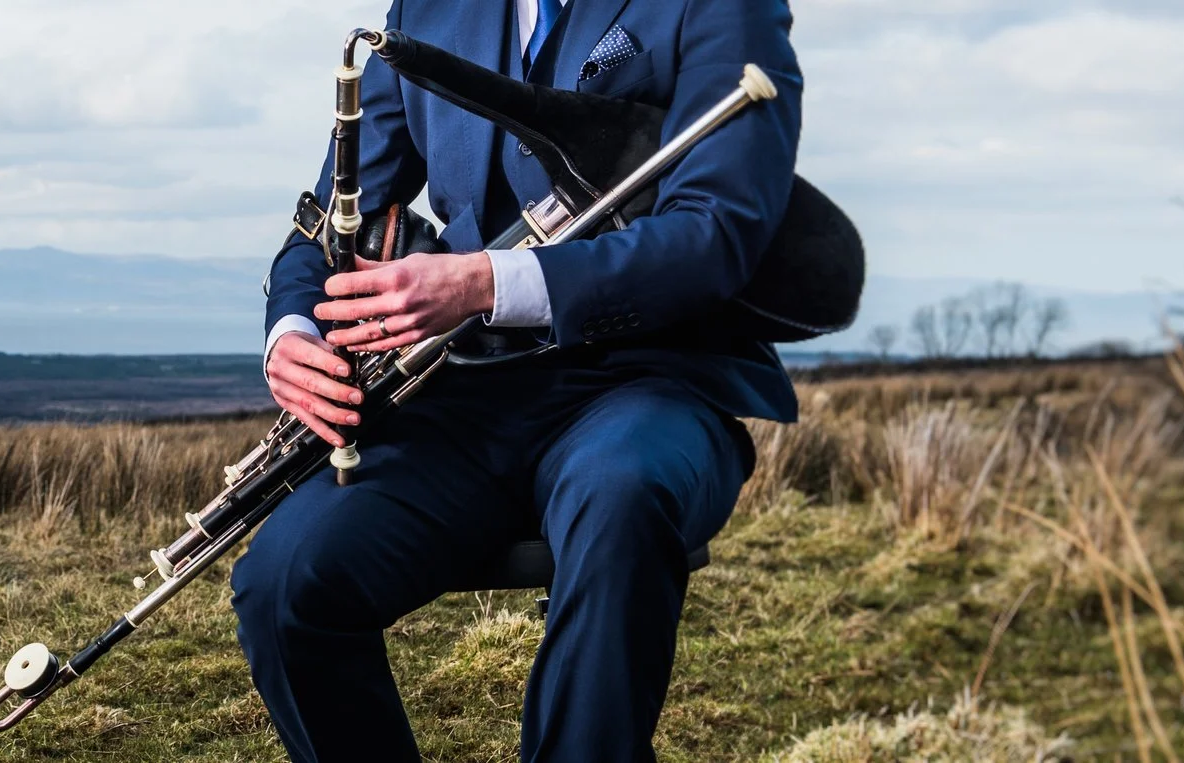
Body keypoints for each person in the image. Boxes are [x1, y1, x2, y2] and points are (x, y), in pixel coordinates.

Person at [235, 0, 803, 759]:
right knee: (283, 580)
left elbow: (719, 231)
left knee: (621, 494)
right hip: (465, 397)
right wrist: (293, 331)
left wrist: (487, 282)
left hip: (653, 380)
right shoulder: (427, 9)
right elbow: (330, 217)